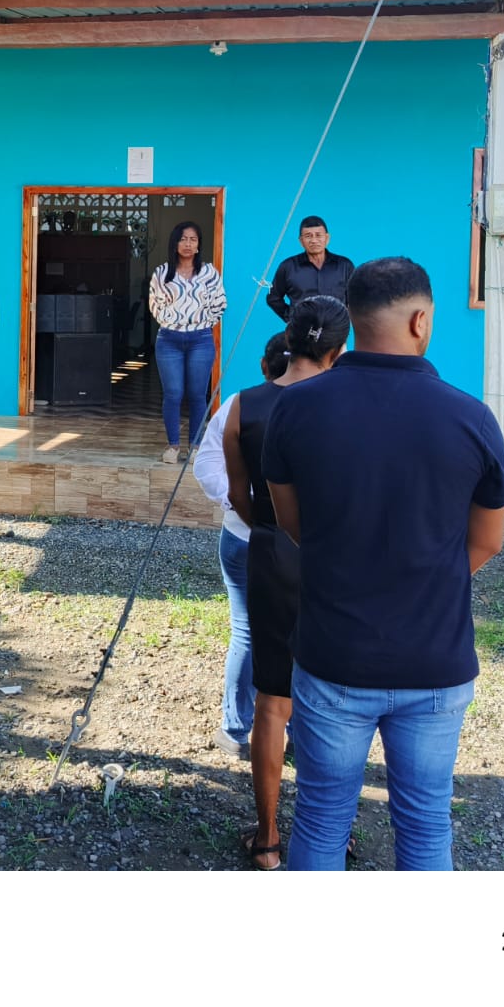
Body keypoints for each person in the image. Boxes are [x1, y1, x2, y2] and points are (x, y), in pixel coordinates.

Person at [265, 258, 504, 871]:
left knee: (321, 819)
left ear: (352, 320)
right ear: (421, 321)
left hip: (333, 653)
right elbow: (487, 542)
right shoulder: (472, 418)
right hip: (435, 659)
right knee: (426, 823)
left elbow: (293, 524)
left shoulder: (295, 408)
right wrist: (423, 577)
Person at [222, 296, 350, 869]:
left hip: (272, 551)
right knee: (336, 703)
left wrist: (274, 530)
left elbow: (238, 495)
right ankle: (330, 833)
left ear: (288, 340)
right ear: (337, 350)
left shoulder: (242, 407)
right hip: (336, 558)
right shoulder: (349, 405)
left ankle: (269, 839)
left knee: (272, 702)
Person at [193, 332, 289, 761]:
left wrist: (240, 502)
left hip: (243, 534)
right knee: (298, 633)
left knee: (247, 631)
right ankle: (299, 733)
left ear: (264, 366)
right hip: (299, 542)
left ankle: (236, 729)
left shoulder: (239, 404)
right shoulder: (324, 405)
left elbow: (206, 464)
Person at [148, 220, 227, 463]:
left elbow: (219, 304)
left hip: (200, 339)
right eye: (183, 239)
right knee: (173, 393)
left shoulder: (209, 272)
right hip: (169, 339)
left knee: (197, 394)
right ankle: (173, 446)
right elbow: (155, 304)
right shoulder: (162, 272)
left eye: (193, 239)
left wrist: (199, 323)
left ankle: (195, 446)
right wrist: (174, 322)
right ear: (175, 243)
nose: (188, 244)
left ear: (199, 244)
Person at [266, 215, 354, 322]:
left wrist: (344, 319)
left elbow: (356, 298)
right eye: (308, 236)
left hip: (336, 328)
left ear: (327, 238)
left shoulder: (344, 265)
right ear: (301, 240)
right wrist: (291, 318)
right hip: (301, 329)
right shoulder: (288, 267)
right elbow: (273, 298)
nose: (314, 240)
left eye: (318, 235)